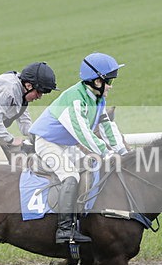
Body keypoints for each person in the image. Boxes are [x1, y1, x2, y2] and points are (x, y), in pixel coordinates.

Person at [30, 52, 128, 245]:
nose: (110, 86)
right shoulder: (74, 98)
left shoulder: (98, 99)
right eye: (109, 81)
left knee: (92, 169)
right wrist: (107, 153)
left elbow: (107, 127)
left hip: (66, 144)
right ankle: (64, 229)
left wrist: (123, 153)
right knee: (71, 176)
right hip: (47, 142)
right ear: (97, 81)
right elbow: (83, 133)